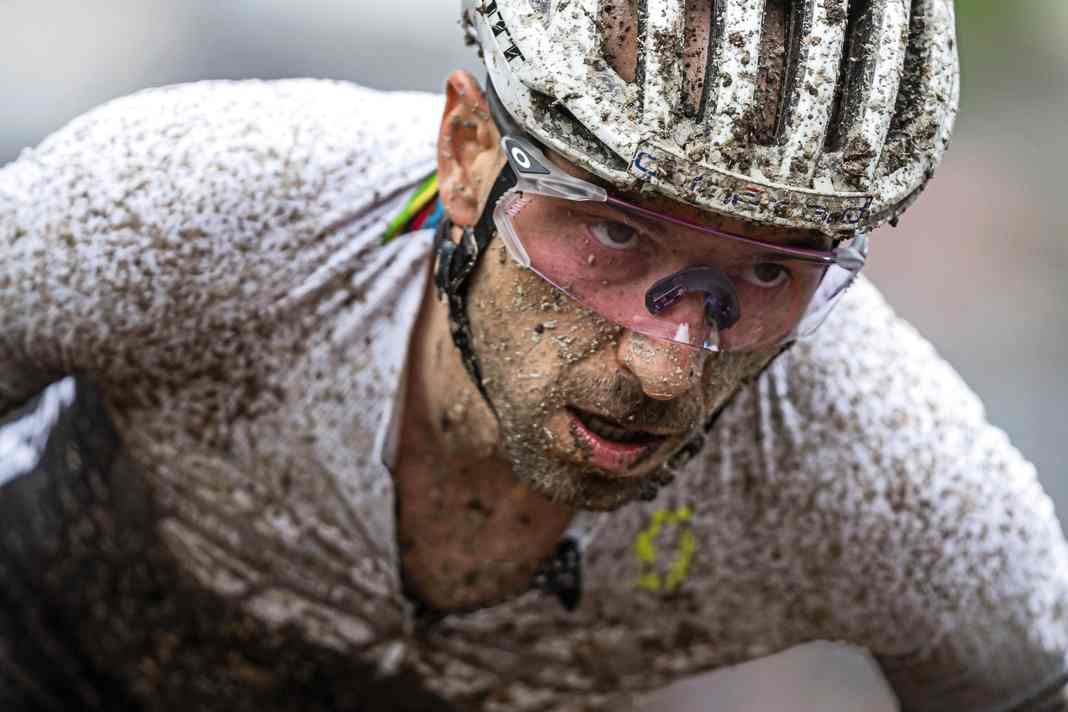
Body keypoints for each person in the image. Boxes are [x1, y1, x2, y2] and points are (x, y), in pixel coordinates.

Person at [1, 0, 1066, 710]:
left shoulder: (895, 480)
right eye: (613, 231)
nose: (670, 364)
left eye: (769, 273)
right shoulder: (184, 212)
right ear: (469, 155)